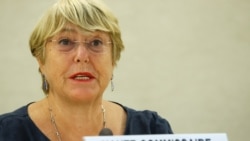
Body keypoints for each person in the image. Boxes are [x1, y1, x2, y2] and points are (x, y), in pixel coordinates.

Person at [0, 0, 173, 140]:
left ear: (113, 59)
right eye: (65, 42)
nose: (82, 56)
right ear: (41, 59)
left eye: (96, 42)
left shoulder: (152, 130)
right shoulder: (6, 133)